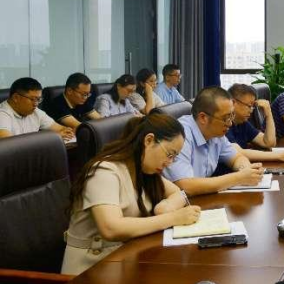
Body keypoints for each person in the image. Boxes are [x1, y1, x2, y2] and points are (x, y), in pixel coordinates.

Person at [61, 113, 201, 275]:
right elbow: (110, 228)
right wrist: (173, 218)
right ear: (149, 141)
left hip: (126, 258)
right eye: (169, 154)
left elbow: (178, 193)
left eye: (174, 158)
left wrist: (166, 207)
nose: (169, 162)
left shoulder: (144, 170)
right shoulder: (104, 171)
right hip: (91, 269)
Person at [162, 87, 264, 195]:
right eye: (226, 118)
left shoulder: (216, 133)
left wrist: (245, 170)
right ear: (203, 118)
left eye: (232, 116)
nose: (230, 123)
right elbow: (185, 186)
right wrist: (238, 178)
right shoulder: (181, 135)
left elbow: (237, 158)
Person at [225, 83, 284, 163]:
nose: (251, 110)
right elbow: (238, 153)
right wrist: (280, 156)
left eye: (253, 106)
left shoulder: (243, 123)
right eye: (249, 106)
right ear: (233, 103)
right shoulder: (224, 125)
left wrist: (268, 114)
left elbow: (269, 143)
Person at [0, 77, 74, 140]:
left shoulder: (35, 111)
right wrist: (51, 137)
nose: (36, 104)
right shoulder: (3, 114)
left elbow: (61, 129)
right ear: (16, 97)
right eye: (32, 99)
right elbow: (9, 144)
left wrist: (65, 132)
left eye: (38, 99)